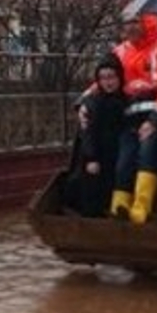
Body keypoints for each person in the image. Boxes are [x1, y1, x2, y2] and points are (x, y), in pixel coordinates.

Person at [80, 13, 157, 223]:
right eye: (127, 23)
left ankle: (141, 209)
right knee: (124, 159)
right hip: (130, 118)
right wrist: (83, 103)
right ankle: (119, 208)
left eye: (135, 22)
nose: (130, 27)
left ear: (147, 22)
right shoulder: (121, 51)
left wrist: (154, 120)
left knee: (147, 153)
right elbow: (104, 79)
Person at [64, 55, 127, 217]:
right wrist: (91, 158)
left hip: (115, 154)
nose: (108, 82)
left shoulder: (125, 100)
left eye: (111, 77)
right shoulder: (93, 102)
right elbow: (87, 133)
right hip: (95, 157)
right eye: (103, 78)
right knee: (92, 195)